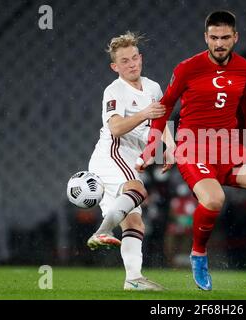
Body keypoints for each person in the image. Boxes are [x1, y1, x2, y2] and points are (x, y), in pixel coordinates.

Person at [136, 11, 246, 291]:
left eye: (225, 37)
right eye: (214, 37)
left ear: (235, 38)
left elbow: (242, 108)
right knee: (215, 200)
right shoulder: (187, 68)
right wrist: (154, 146)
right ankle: (199, 254)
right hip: (192, 147)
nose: (219, 43)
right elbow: (165, 106)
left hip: (228, 148)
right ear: (206, 37)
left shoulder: (245, 69)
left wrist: (243, 146)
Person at [87, 32, 169, 290]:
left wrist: (172, 149)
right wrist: (144, 112)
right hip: (112, 156)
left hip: (130, 160)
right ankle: (101, 231)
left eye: (135, 58)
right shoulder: (114, 91)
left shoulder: (153, 87)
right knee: (138, 190)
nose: (132, 64)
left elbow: (159, 123)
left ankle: (133, 280)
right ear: (115, 67)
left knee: (134, 222)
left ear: (141, 58)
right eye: (125, 61)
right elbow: (116, 128)